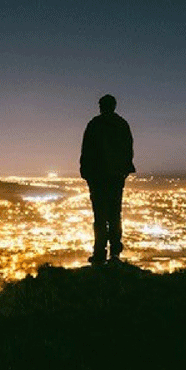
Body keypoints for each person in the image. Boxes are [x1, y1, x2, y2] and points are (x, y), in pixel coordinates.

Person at [80, 94, 136, 264]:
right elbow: (129, 150)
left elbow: (86, 150)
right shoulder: (122, 125)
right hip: (116, 177)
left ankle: (99, 253)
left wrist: (86, 172)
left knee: (100, 216)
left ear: (101, 106)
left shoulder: (95, 125)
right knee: (114, 215)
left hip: (98, 178)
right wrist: (124, 170)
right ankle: (115, 253)